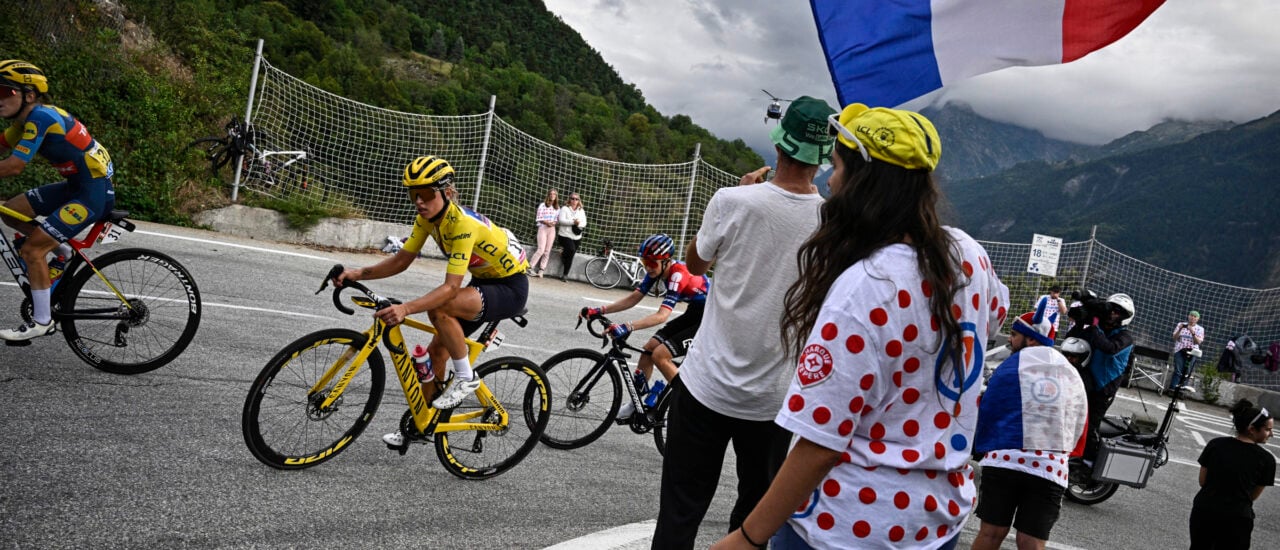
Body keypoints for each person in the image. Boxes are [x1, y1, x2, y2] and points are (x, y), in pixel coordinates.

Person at [710, 102, 1008, 550]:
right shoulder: (968, 255)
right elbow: (993, 315)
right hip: (936, 523)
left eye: (837, 166)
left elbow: (820, 445)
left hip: (844, 527)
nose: (830, 181)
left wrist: (748, 537)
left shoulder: (866, 286)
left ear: (865, 181)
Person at [653, 96, 833, 549]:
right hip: (774, 400)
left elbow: (695, 262)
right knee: (752, 523)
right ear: (823, 160)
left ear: (778, 147)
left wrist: (738, 191)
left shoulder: (733, 200)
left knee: (680, 510)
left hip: (706, 386)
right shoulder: (833, 221)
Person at [331, 155, 529, 446]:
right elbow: (401, 261)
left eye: (426, 194)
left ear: (447, 192)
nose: (419, 202)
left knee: (440, 306)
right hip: (483, 283)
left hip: (509, 287)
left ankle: (465, 377)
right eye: (414, 195)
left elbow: (450, 288)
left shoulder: (462, 224)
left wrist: (405, 308)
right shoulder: (426, 219)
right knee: (437, 353)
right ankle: (422, 422)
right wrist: (357, 273)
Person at [0, 60, 115, 341]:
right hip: (75, 186)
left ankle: (41, 321)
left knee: (32, 250)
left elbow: (14, 166)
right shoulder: (25, 120)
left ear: (29, 94)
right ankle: (62, 252)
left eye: (5, 92)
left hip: (91, 194)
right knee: (9, 211)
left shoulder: (41, 118)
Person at [971, 309, 1087, 550]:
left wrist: (982, 446)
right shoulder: (1069, 371)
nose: (1011, 341)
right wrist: (1066, 453)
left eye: (1014, 335)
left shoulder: (1010, 366)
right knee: (1031, 543)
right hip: (1049, 467)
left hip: (1004, 460)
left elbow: (987, 408)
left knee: (990, 534)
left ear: (1031, 338)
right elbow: (1079, 418)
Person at [578, 233, 711, 419]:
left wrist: (627, 326)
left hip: (710, 318)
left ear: (666, 261)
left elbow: (662, 316)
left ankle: (688, 406)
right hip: (695, 312)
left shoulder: (677, 275)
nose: (648, 266)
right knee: (649, 349)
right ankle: (636, 403)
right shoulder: (656, 270)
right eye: (644, 261)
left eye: (652, 263)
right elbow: (633, 299)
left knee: (660, 355)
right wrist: (599, 310)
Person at [1189, 399, 1274, 550]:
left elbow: (1203, 481)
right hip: (1237, 518)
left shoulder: (1216, 444)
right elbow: (1253, 495)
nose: (1271, 434)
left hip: (1204, 510)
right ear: (1252, 429)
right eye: (1267, 429)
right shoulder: (1266, 460)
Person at [1075, 293, 1136, 466]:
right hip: (1089, 381)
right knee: (1077, 418)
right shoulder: (1099, 329)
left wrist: (1094, 327)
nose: (1112, 314)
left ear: (1125, 317)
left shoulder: (1125, 337)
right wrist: (1082, 319)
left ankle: (1090, 462)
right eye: (1111, 310)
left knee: (1092, 424)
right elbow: (1076, 338)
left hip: (1105, 388)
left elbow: (1109, 348)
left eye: (1117, 312)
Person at [1169, 310, 1205, 390]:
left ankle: (1182, 389)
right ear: (1188, 316)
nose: (1192, 318)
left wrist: (1193, 332)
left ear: (1197, 319)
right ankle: (1173, 388)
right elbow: (1174, 338)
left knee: (1187, 371)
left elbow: (1198, 342)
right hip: (1180, 349)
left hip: (1192, 351)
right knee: (1178, 369)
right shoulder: (1180, 324)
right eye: (1191, 315)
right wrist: (1180, 329)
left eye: (1195, 316)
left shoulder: (1200, 329)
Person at [555, 192, 586, 281]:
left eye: (576, 199)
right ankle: (564, 254)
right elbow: (561, 221)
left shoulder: (581, 210)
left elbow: (584, 223)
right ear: (569, 199)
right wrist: (573, 222)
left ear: (579, 201)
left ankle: (565, 275)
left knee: (571, 255)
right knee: (571, 249)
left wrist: (578, 223)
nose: (574, 200)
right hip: (564, 235)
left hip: (577, 236)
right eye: (572, 198)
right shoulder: (565, 209)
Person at [527, 188, 559, 277]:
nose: (552, 195)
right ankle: (530, 267)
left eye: (554, 194)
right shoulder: (543, 205)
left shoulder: (557, 207)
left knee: (547, 251)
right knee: (541, 249)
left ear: (556, 196)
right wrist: (546, 222)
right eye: (551, 194)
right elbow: (539, 218)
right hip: (543, 228)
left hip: (552, 229)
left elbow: (557, 219)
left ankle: (541, 269)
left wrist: (553, 223)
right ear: (548, 195)